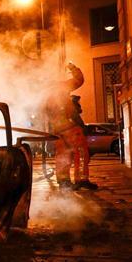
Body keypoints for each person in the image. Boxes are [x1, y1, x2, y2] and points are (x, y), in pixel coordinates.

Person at [45, 62, 85, 190]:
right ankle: (65, 181)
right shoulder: (60, 87)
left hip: (63, 127)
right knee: (65, 155)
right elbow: (79, 80)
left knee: (69, 155)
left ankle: (68, 181)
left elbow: (78, 80)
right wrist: (73, 68)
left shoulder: (50, 90)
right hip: (63, 127)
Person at [70, 95, 98, 190]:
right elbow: (77, 128)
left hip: (79, 140)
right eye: (78, 103)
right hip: (78, 140)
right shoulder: (74, 115)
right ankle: (82, 181)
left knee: (80, 160)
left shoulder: (74, 115)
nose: (80, 105)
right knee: (80, 160)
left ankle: (81, 180)